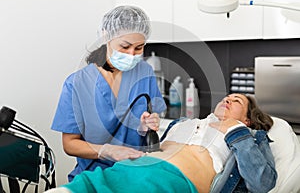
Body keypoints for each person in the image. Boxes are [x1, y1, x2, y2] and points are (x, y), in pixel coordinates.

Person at [48, 93, 277, 193]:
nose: (227, 99)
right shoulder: (184, 123)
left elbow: (262, 183)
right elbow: (154, 150)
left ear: (247, 118)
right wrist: (145, 132)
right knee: (86, 183)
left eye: (236, 100)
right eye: (226, 97)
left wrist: (236, 131)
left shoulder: (248, 136)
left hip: (169, 181)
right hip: (132, 169)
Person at [51, 5, 167, 181]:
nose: (131, 54)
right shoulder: (77, 83)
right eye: (125, 46)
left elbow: (151, 115)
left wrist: (147, 124)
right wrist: (106, 151)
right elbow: (69, 144)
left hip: (136, 173)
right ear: (106, 36)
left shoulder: (145, 72)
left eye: (138, 48)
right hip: (93, 176)